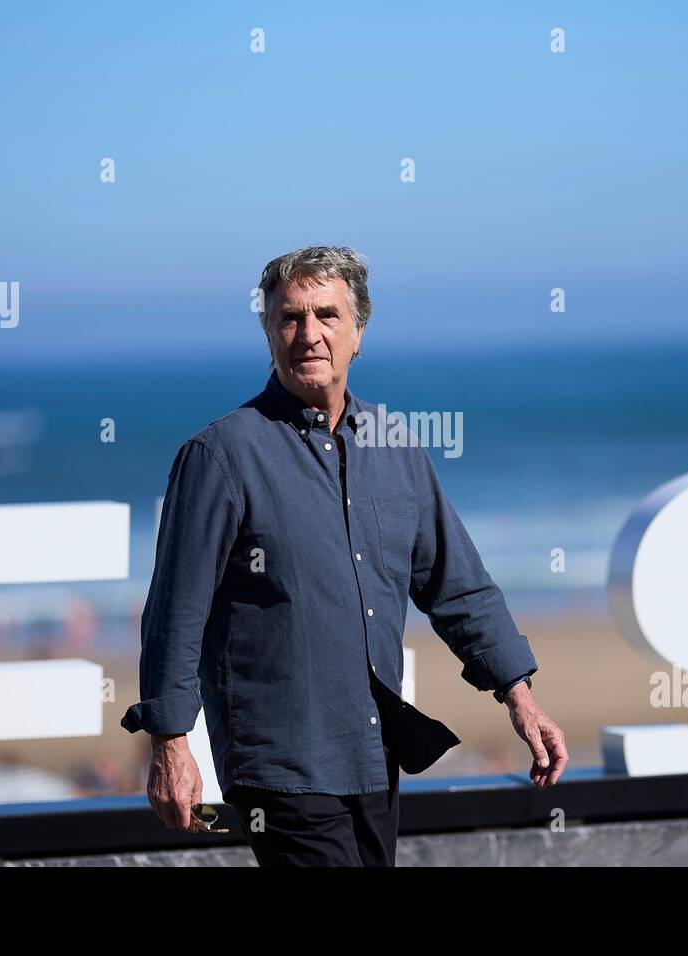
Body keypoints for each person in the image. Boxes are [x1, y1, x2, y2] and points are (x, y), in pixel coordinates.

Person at [121, 245, 568, 866]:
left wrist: (520, 694)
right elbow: (175, 610)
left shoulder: (397, 449)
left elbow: (456, 585)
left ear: (358, 331)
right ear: (269, 333)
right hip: (278, 761)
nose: (310, 335)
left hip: (372, 753)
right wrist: (171, 743)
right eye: (290, 318)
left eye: (327, 316)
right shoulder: (221, 456)